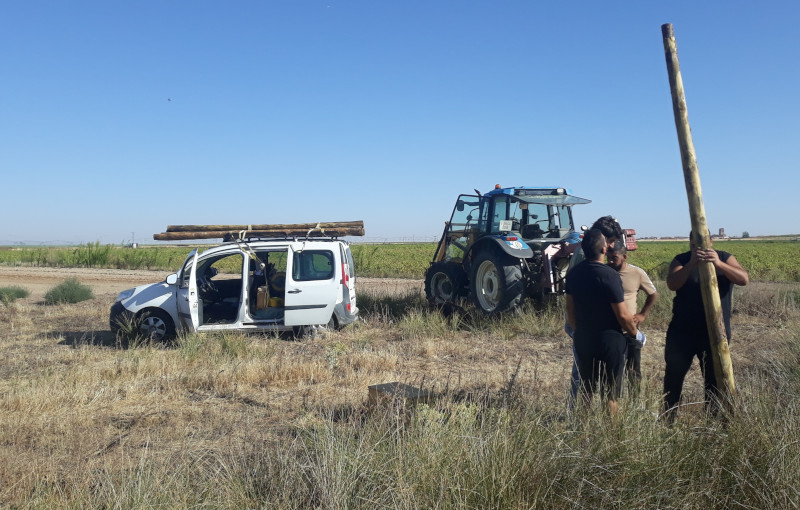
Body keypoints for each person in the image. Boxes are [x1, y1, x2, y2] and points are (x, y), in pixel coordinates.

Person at [663, 231, 749, 419]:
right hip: (682, 333)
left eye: (701, 244)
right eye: (693, 245)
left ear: (711, 241)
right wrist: (692, 263)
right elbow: (672, 283)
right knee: (673, 379)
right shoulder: (681, 260)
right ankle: (668, 420)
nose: (698, 248)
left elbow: (743, 279)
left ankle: (713, 424)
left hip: (715, 333)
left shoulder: (724, 257)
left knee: (714, 382)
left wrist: (718, 263)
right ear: (689, 244)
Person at [565, 228, 638, 415]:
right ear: (604, 250)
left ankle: (581, 434)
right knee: (610, 394)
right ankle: (612, 438)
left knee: (586, 391)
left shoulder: (573, 274)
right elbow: (622, 315)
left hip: (583, 338)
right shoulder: (609, 275)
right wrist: (635, 334)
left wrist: (578, 333)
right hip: (610, 340)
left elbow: (570, 311)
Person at [606, 241, 659, 394]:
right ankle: (613, 401)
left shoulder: (637, 273)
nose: (610, 261)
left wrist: (642, 314)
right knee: (612, 370)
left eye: (614, 258)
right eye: (608, 258)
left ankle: (635, 402)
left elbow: (653, 294)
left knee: (633, 369)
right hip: (609, 329)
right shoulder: (605, 272)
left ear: (624, 257)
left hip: (630, 329)